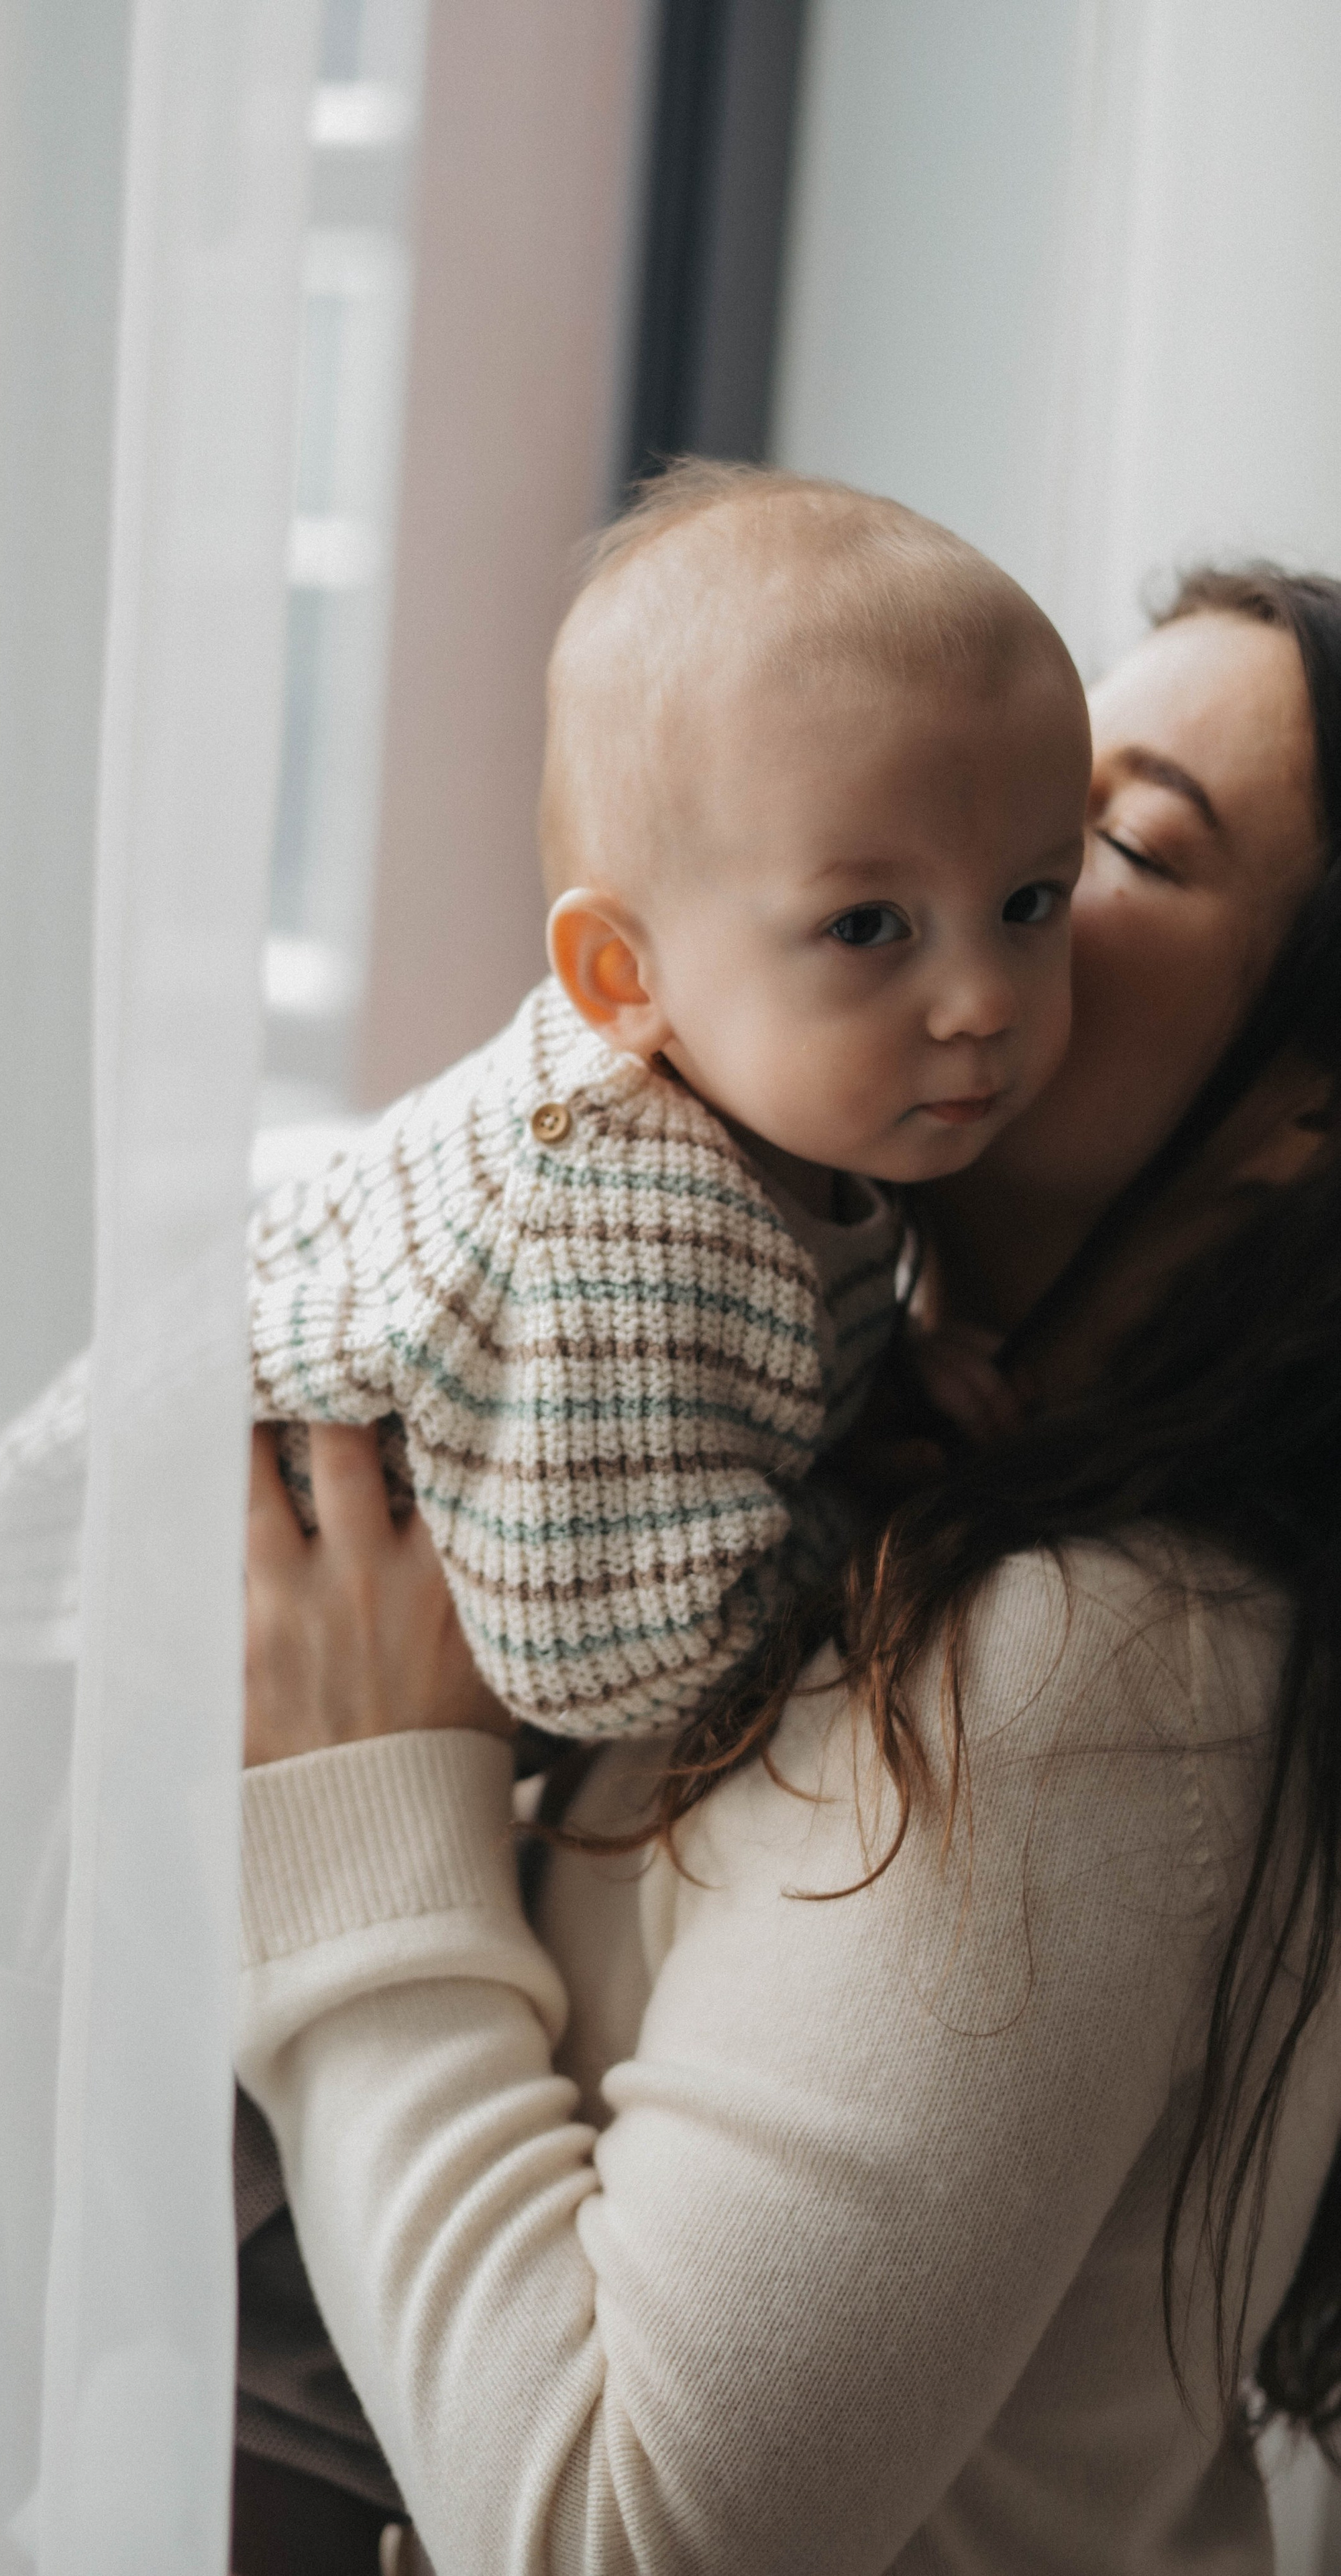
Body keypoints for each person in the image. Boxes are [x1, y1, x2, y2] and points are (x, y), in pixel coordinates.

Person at [232, 565, 1341, 2573]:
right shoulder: (868, 1461)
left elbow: (620, 2536)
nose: (991, 858)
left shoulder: (1096, 1656)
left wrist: (362, 1799)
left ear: (1309, 1109)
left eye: (1107, 846)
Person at [252, 465, 1089, 1739]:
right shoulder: (646, 1226)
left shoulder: (792, 1104)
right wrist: (872, 1501)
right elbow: (611, 1663)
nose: (983, 997)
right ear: (623, 979)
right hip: (168, 1621)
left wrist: (884, 1384)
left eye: (1033, 901)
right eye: (869, 924)